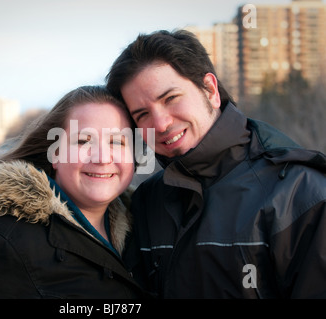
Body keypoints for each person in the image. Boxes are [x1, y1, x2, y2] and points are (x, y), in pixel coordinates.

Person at [106, 29, 326, 298]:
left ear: (210, 89)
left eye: (170, 98)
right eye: (142, 114)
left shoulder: (302, 195)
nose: (161, 124)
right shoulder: (146, 201)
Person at [0, 85, 144, 298]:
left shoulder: (143, 222)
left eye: (117, 142)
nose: (102, 158)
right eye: (83, 141)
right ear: (55, 153)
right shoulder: (2, 240)